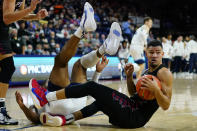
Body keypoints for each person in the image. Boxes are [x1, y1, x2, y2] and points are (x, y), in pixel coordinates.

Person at [16, 2, 122, 125]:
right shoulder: (50, 89)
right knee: (60, 62)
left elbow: (92, 92)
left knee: (79, 64)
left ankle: (103, 48)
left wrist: (22, 106)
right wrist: (97, 72)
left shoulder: (43, 101)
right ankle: (85, 31)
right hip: (73, 103)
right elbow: (91, 92)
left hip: (73, 107)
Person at [29, 40, 173, 128]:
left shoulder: (164, 73)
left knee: (92, 87)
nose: (154, 55)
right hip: (130, 112)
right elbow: (134, 94)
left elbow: (166, 105)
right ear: (146, 53)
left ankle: (47, 97)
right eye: (151, 52)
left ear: (162, 54)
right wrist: (129, 77)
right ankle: (65, 119)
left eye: (157, 52)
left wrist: (156, 90)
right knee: (100, 102)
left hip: (135, 117)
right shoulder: (147, 70)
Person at [0, 0, 48, 125]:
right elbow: (6, 18)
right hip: (2, 26)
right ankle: (0, 111)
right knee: (7, 66)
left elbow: (20, 14)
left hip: (3, 30)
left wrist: (35, 16)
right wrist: (30, 8)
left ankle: (0, 110)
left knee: (7, 67)